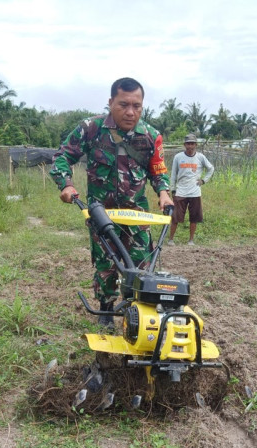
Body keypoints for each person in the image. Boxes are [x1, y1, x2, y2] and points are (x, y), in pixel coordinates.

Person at [49, 77, 174, 329]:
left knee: (142, 264)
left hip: (137, 216)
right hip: (101, 214)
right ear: (110, 102)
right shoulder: (91, 129)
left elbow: (158, 170)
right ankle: (106, 311)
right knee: (106, 264)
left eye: (137, 106)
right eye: (123, 104)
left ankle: (137, 312)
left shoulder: (151, 136)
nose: (130, 112)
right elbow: (62, 156)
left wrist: (163, 192)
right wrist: (67, 184)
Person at [168, 133, 214, 246]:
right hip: (180, 191)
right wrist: (173, 190)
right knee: (175, 216)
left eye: (192, 144)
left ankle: (191, 240)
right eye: (188, 144)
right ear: (184, 145)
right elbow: (173, 174)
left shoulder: (200, 157)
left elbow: (211, 168)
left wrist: (203, 181)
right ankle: (171, 239)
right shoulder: (178, 157)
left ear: (196, 145)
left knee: (194, 217)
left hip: (195, 192)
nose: (190, 146)